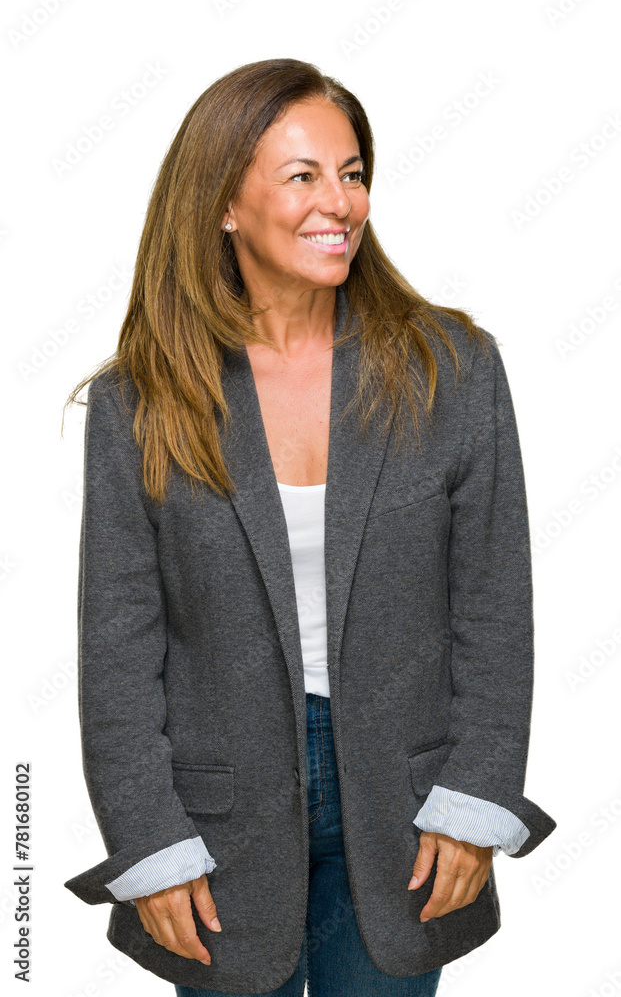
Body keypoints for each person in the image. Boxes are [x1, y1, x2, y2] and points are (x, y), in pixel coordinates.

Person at [63, 58, 556, 996]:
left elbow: (495, 608)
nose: (340, 202)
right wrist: (149, 837)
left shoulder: (451, 368)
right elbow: (119, 647)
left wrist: (475, 799)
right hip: (213, 818)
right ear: (222, 203)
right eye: (303, 176)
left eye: (353, 171)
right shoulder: (141, 397)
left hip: (409, 813)